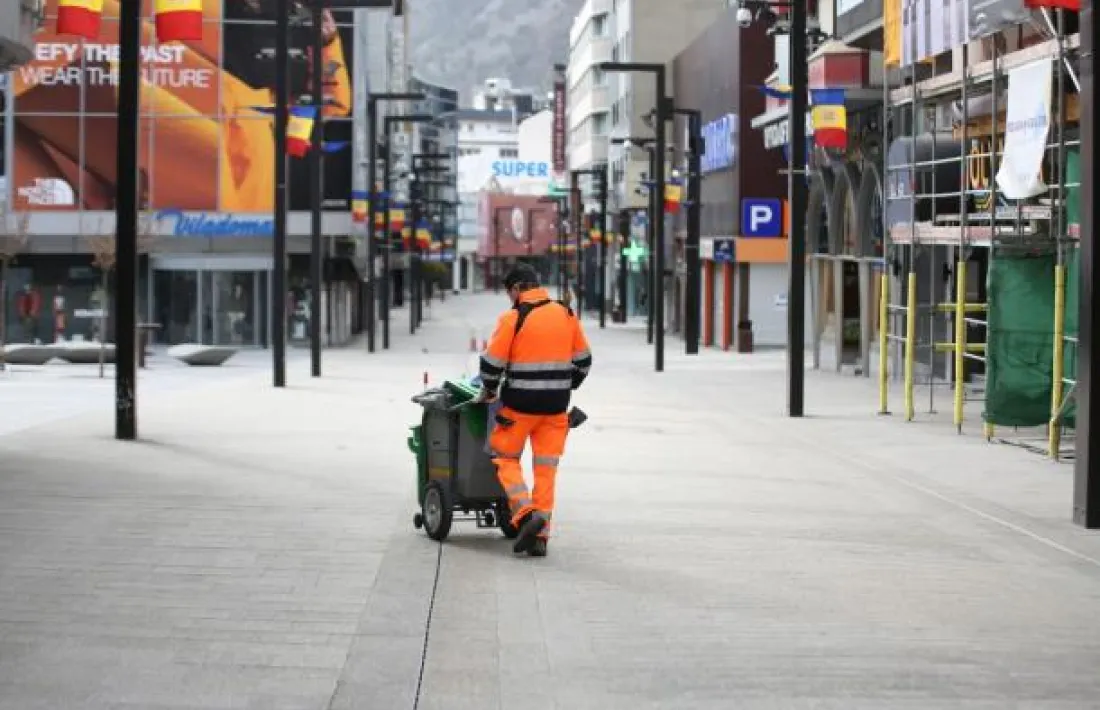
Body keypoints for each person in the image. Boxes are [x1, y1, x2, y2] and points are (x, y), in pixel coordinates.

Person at [478, 264, 592, 558]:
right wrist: (564, 384)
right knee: (546, 469)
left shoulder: (513, 318)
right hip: (555, 409)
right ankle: (540, 537)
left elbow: (491, 364)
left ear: (517, 288)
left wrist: (489, 390)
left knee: (504, 457)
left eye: (509, 293)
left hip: (519, 407)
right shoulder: (566, 314)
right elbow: (584, 361)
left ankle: (526, 515)